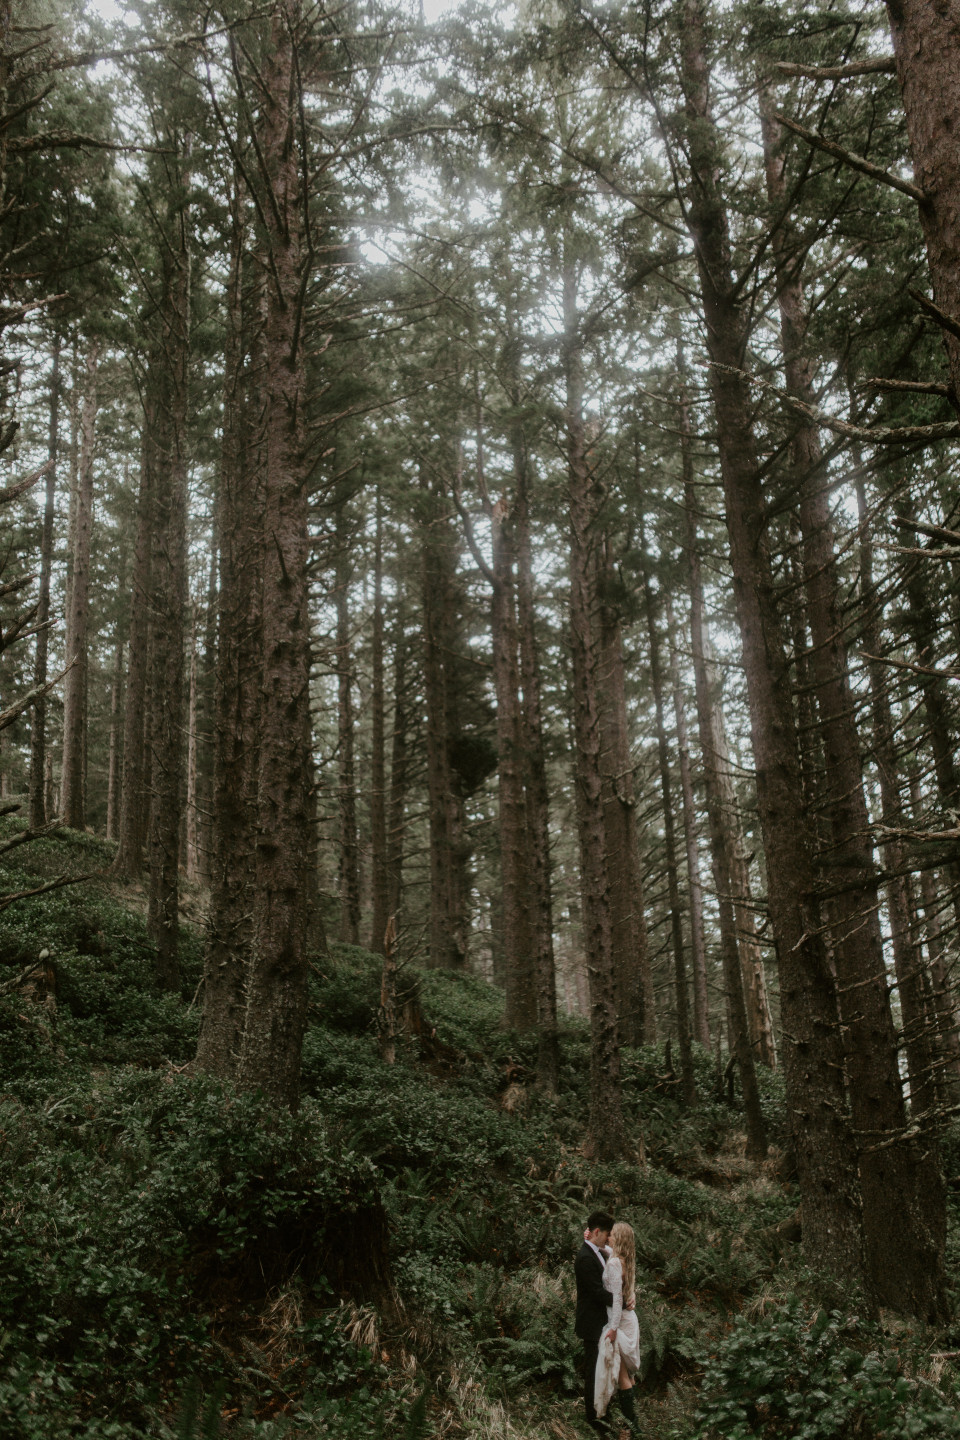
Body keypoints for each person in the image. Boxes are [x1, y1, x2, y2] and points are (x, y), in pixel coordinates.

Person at [594, 1221, 642, 1436]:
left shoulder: (614, 1264)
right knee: (628, 1376)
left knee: (623, 1375)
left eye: (612, 1235)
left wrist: (612, 1328)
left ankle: (632, 1428)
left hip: (620, 1321)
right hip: (628, 1319)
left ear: (619, 1239)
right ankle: (630, 1426)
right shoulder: (625, 1258)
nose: (608, 1237)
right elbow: (603, 1248)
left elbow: (616, 1299)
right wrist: (589, 1239)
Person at [574, 1210, 615, 1433]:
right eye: (607, 1234)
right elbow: (598, 1292)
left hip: (600, 1321)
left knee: (602, 1369)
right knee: (593, 1372)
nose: (609, 1238)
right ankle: (593, 1418)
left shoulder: (595, 1250)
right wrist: (622, 1300)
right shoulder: (584, 1258)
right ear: (597, 1232)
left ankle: (602, 1412)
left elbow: (609, 1251)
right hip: (591, 1323)